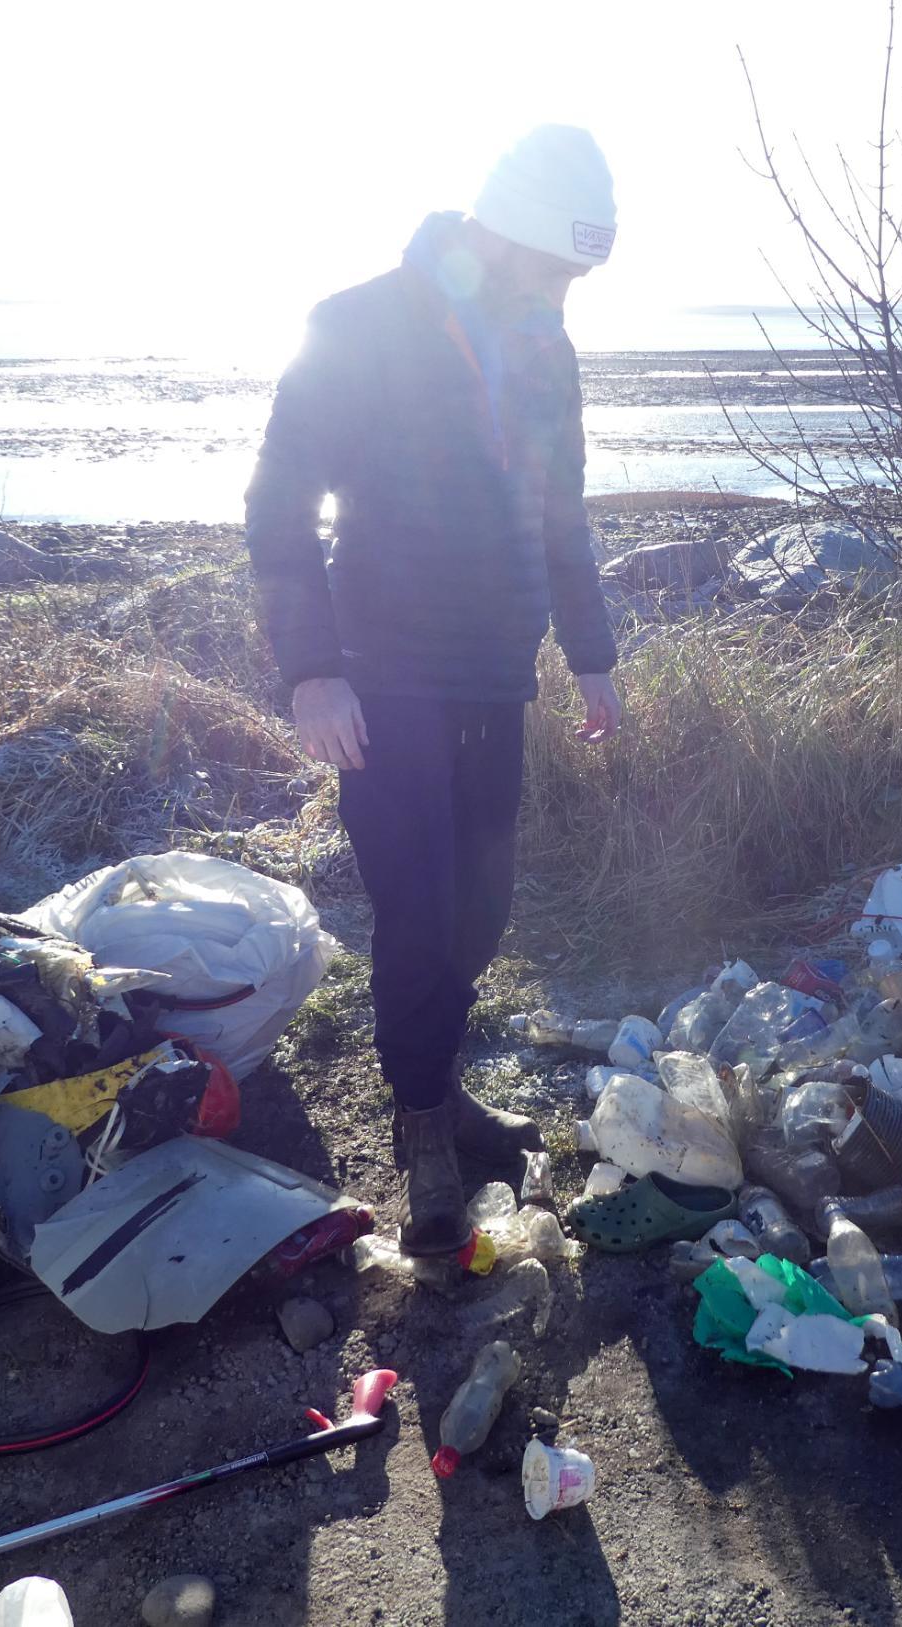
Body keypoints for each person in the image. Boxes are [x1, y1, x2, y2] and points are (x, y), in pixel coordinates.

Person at [244, 125, 623, 1257]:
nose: (561, 292)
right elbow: (276, 510)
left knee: (481, 909)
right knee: (415, 914)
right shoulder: (356, 325)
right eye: (554, 266)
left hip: (495, 675)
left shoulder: (546, 348)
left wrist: (589, 650)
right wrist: (311, 671)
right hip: (385, 681)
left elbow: (562, 511)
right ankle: (421, 1127)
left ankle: (441, 1084)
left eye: (576, 277)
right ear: (499, 232)